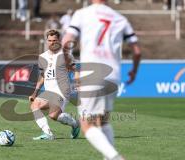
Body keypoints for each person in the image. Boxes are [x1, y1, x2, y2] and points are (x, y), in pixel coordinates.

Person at [62, 0, 141, 159]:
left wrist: (69, 62)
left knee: (86, 124)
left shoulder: (82, 14)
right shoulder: (120, 18)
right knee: (103, 121)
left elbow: (66, 43)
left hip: (92, 73)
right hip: (113, 73)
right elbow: (137, 51)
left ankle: (115, 157)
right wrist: (133, 71)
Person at [29, 30, 80, 140]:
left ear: (59, 41)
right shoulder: (42, 57)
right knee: (35, 105)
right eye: (50, 40)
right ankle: (49, 133)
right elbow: (43, 76)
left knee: (53, 115)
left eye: (54, 40)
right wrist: (34, 93)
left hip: (62, 91)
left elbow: (76, 70)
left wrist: (77, 82)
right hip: (49, 92)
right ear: (46, 41)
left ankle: (74, 125)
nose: (52, 43)